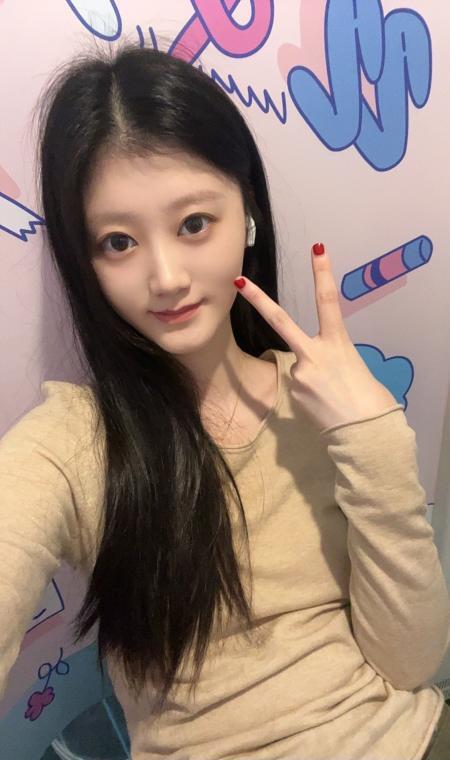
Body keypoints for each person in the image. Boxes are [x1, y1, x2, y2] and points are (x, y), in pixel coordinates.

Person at [1, 41, 449, 759]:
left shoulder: (328, 398)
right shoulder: (75, 442)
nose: (166, 277)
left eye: (193, 224)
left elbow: (410, 663)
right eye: (118, 242)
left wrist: (374, 438)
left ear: (248, 216)